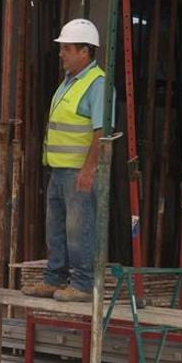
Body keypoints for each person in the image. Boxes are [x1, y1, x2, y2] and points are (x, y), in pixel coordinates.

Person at [22, 18, 109, 303]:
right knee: (56, 228)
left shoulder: (96, 84)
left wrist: (89, 169)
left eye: (67, 48)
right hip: (60, 170)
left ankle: (83, 284)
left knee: (79, 228)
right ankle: (54, 278)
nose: (61, 54)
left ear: (85, 51)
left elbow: (101, 132)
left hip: (78, 173)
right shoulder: (69, 83)